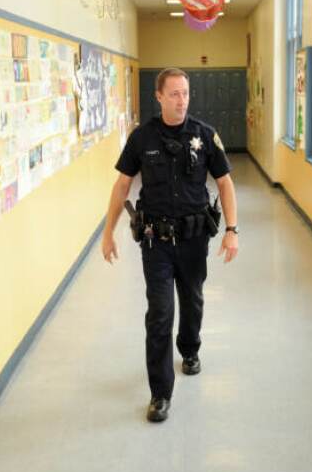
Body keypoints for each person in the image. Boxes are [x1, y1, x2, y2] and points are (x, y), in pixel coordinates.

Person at [101, 67, 239, 423]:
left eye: (186, 93)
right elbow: (122, 186)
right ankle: (160, 393)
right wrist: (108, 232)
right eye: (174, 94)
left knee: (192, 301)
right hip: (156, 242)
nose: (182, 100)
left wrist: (232, 229)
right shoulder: (142, 138)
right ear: (159, 96)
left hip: (194, 240)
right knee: (160, 313)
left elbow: (224, 184)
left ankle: (190, 349)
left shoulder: (205, 136)